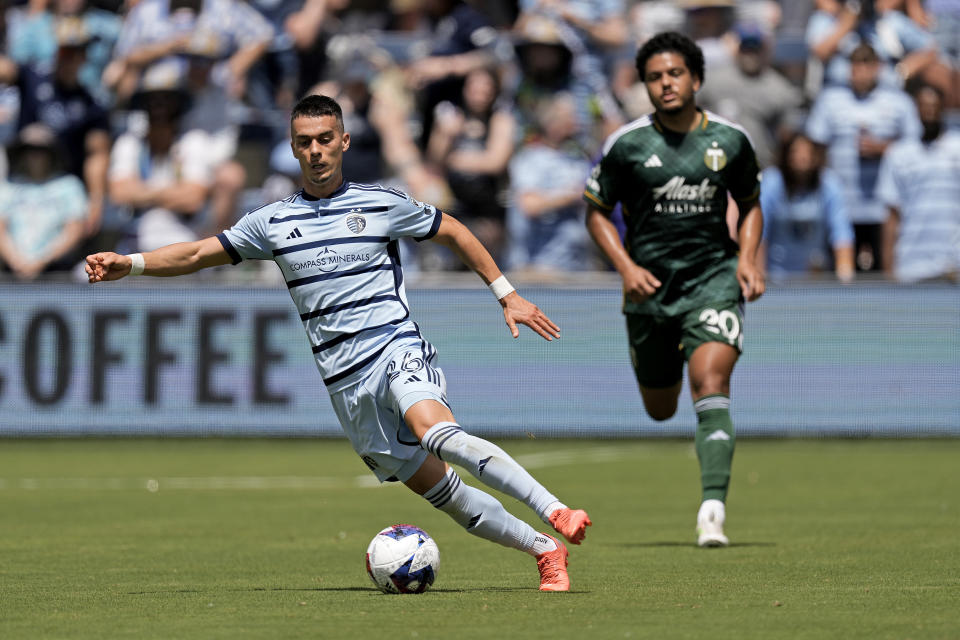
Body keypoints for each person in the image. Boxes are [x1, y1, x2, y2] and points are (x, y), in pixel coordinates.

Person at [86, 94, 592, 591]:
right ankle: (545, 551)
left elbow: (454, 231)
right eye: (304, 142)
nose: (316, 151)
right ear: (291, 148)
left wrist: (507, 294)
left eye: (326, 139)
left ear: (344, 141)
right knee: (446, 495)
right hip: (346, 387)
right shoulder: (271, 222)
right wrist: (131, 263)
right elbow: (197, 252)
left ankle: (556, 510)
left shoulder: (381, 203)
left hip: (395, 350)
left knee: (439, 433)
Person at [583, 32, 765, 547]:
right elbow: (595, 212)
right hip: (649, 292)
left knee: (709, 382)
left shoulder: (730, 140)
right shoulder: (627, 144)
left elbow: (751, 204)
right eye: (655, 77)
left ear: (696, 79)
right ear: (645, 85)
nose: (666, 83)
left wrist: (747, 260)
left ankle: (712, 509)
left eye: (675, 74)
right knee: (661, 408)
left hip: (713, 279)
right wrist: (625, 267)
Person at [805, 42, 921, 272]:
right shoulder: (830, 100)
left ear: (878, 67)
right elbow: (815, 145)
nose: (861, 72)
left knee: (882, 274)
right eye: (856, 66)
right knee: (841, 274)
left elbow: (915, 148)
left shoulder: (899, 102)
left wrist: (884, 148)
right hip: (841, 205)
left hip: (883, 207)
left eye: (868, 66)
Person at [878, 83, 960, 282]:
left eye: (934, 107)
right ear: (916, 110)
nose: (929, 112)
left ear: (943, 109)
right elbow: (891, 216)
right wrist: (889, 271)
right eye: (924, 107)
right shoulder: (898, 155)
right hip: (911, 266)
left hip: (954, 266)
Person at [759, 132, 855, 281]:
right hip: (776, 279)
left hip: (815, 279)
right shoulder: (771, 182)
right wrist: (758, 276)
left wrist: (845, 276)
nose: (802, 157)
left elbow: (841, 233)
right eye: (796, 152)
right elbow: (759, 233)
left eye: (807, 152)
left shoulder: (829, 183)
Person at [0, 124, 88, 280]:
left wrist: (42, 261)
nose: (34, 156)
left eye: (40, 150)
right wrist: (16, 261)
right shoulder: (8, 186)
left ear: (51, 153)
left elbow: (75, 229)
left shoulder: (69, 186)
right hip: (13, 271)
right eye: (29, 150)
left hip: (56, 271)